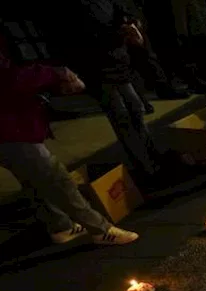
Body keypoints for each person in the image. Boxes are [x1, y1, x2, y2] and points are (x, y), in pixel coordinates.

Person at [0, 40, 138, 245]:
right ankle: (100, 230)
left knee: (33, 178)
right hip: (9, 130)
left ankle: (60, 226)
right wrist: (56, 73)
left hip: (13, 125)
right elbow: (10, 79)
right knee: (56, 177)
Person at [65, 0, 165, 180]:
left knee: (136, 109)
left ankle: (153, 156)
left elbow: (122, 9)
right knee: (121, 116)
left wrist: (130, 22)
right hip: (96, 68)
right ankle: (145, 166)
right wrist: (118, 34)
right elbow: (81, 37)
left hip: (118, 61)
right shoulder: (75, 7)